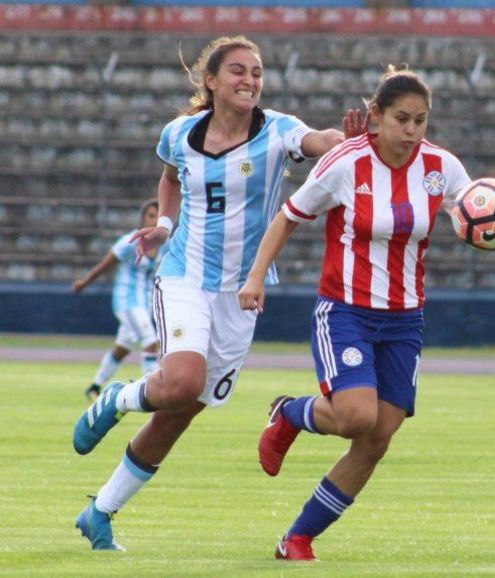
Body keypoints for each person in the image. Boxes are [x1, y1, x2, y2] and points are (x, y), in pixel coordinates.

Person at [238, 64, 495, 562]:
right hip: (345, 309)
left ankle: (297, 538)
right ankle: (290, 413)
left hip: (405, 317)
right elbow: (289, 216)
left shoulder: (441, 167)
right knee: (355, 416)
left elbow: (475, 222)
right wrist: (255, 277)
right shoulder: (345, 162)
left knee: (377, 437)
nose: (411, 131)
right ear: (377, 116)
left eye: (421, 121)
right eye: (402, 119)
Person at [71, 35, 366, 551]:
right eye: (237, 71)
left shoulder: (277, 131)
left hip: (240, 293)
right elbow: (169, 176)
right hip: (185, 274)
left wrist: (346, 142)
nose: (250, 79)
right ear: (210, 81)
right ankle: (117, 397)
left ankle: (100, 511)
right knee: (181, 382)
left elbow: (317, 140)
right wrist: (165, 223)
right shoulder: (180, 132)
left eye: (256, 71)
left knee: (180, 412)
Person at [72, 200, 166, 400]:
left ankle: (94, 387)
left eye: (158, 215)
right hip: (126, 300)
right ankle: (155, 391)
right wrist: (84, 282)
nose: (155, 219)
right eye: (151, 215)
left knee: (123, 347)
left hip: (144, 301)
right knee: (150, 340)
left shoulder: (163, 244)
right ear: (142, 218)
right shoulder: (129, 242)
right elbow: (104, 265)